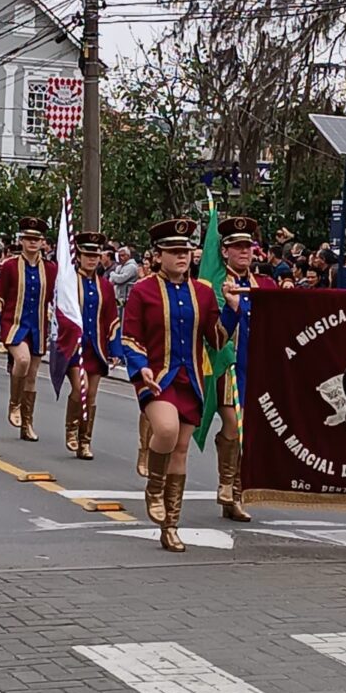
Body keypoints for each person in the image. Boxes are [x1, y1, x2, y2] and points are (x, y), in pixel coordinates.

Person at [122, 218, 240, 552]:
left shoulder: (202, 292)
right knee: (167, 430)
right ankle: (154, 487)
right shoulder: (143, 290)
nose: (182, 257)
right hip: (157, 377)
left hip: (191, 380)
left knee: (183, 450)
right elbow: (130, 337)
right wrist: (140, 367)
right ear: (158, 255)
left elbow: (216, 339)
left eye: (186, 250)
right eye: (174, 251)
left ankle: (170, 525)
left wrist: (231, 311)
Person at [212, 216, 277, 522]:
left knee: (248, 435)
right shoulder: (213, 284)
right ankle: (227, 485)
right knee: (234, 428)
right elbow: (215, 337)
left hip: (258, 368)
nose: (243, 252)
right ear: (224, 251)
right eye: (236, 247)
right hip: (225, 369)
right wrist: (230, 309)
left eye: (247, 246)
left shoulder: (264, 285)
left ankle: (236, 496)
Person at [0, 218, 58, 441]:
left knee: (32, 375)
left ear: (43, 242)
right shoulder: (10, 266)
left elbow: (54, 298)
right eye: (28, 238)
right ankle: (14, 403)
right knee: (22, 360)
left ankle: (27, 423)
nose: (32, 243)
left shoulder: (50, 269)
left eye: (37, 239)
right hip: (14, 323)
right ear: (21, 240)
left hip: (38, 325)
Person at [66, 232, 122, 458]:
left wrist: (115, 349)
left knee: (91, 396)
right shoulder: (68, 282)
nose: (92, 259)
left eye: (95, 255)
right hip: (73, 347)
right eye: (87, 254)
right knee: (81, 389)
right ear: (78, 256)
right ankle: (71, 428)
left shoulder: (106, 287)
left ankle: (85, 441)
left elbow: (112, 319)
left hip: (96, 348)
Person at [109, 245, 138, 311]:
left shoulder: (132, 267)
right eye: (119, 256)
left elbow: (121, 279)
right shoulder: (118, 267)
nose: (120, 258)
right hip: (117, 296)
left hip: (127, 298)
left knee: (123, 315)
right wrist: (114, 277)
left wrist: (112, 274)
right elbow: (111, 281)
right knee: (116, 314)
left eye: (123, 255)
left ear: (128, 256)